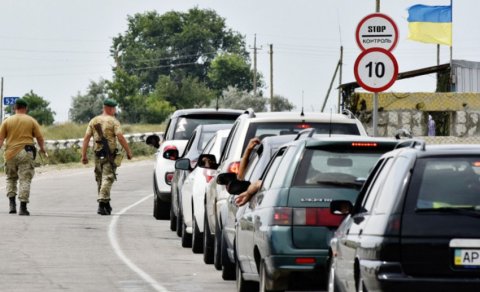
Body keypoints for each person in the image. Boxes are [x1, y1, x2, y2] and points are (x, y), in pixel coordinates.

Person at [81, 98, 133, 215]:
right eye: (114, 108)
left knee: (100, 178)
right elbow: (120, 137)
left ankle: (106, 204)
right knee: (108, 177)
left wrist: (83, 155)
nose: (115, 110)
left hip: (97, 153)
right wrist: (128, 151)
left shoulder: (94, 121)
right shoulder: (113, 121)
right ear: (110, 108)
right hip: (109, 154)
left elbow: (86, 138)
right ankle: (102, 203)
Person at [0, 98, 47, 215]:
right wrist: (42, 149)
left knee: (11, 178)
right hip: (26, 152)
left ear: (14, 108)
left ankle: (12, 204)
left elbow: (1, 139)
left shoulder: (6, 121)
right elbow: (39, 137)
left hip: (10, 153)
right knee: (24, 179)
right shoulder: (31, 121)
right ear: (25, 108)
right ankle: (23, 207)